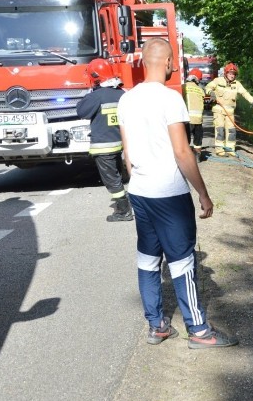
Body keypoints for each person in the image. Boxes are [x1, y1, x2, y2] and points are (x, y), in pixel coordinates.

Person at [117, 38, 238, 349]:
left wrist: (139, 181)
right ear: (170, 63)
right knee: (183, 261)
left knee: (147, 259)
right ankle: (198, 331)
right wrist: (204, 193)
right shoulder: (171, 99)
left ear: (143, 62)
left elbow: (126, 154)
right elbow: (183, 152)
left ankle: (156, 325)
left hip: (140, 192)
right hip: (169, 194)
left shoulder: (126, 100)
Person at [77, 59, 133, 222]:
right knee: (118, 176)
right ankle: (129, 203)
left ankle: (123, 211)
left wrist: (87, 94)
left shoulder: (96, 96)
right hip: (119, 144)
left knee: (111, 180)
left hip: (103, 146)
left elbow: (82, 112)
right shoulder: (122, 94)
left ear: (94, 77)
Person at [204, 62, 253, 157]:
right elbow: (207, 87)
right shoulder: (218, 81)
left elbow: (245, 93)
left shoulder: (237, 84)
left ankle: (230, 149)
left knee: (231, 131)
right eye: (230, 73)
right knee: (220, 130)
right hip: (218, 111)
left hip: (230, 112)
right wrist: (211, 93)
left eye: (234, 74)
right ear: (226, 73)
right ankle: (220, 149)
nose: (232, 75)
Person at [184, 68, 207, 160]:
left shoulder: (183, 87)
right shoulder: (200, 89)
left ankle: (185, 156)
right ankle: (197, 154)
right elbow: (206, 100)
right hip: (198, 120)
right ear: (198, 79)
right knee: (198, 138)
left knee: (186, 139)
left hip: (187, 119)